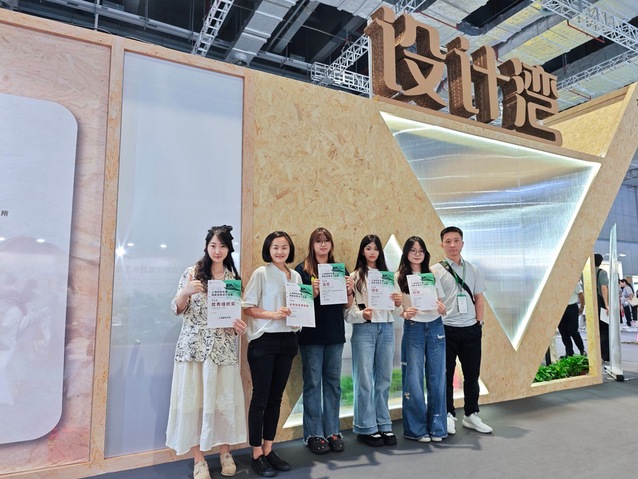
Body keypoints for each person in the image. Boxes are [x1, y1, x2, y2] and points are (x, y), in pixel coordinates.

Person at [166, 226, 247, 479]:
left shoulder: (232, 279)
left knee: (224, 402)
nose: (217, 250)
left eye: (222, 246)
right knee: (192, 402)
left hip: (222, 350)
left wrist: (239, 327)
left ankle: (225, 451)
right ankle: (198, 459)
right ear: (206, 246)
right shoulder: (192, 273)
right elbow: (176, 308)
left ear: (228, 249)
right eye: (213, 245)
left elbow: (234, 318)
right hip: (193, 349)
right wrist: (186, 292)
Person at [242, 231, 301, 477]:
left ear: (290, 250)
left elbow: (300, 307)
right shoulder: (261, 273)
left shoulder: (296, 276)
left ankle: (269, 448)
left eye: (284, 247)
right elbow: (247, 307)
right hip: (264, 341)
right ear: (268, 249)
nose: (280, 251)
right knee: (261, 398)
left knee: (275, 398)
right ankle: (256, 453)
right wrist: (273, 315)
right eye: (275, 247)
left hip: (288, 340)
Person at [294, 228, 354, 454]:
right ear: (312, 244)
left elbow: (347, 305)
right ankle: (313, 434)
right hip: (311, 335)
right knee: (312, 384)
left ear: (331, 244)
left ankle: (332, 431)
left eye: (326, 240)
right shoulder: (302, 270)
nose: (323, 244)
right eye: (318, 241)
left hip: (334, 333)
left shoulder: (339, 269)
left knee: (333, 384)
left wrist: (349, 290)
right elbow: (297, 304)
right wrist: (312, 292)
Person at [431, 226, 492, 435]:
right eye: (448, 241)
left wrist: (479, 323)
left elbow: (479, 298)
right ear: (442, 245)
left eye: (456, 240)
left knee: (472, 375)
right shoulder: (434, 271)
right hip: (445, 329)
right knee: (446, 375)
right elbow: (431, 300)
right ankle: (448, 414)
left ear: (462, 243)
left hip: (471, 330)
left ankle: (471, 414)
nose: (452, 245)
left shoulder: (473, 270)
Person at [345, 234, 402, 447]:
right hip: (364, 330)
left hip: (386, 328)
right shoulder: (354, 277)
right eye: (368, 248)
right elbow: (347, 312)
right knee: (364, 380)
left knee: (384, 378)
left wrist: (398, 302)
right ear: (362, 251)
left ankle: (383, 424)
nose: (372, 252)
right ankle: (366, 427)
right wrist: (362, 315)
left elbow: (397, 309)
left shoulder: (388, 276)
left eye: (376, 248)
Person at [395, 236, 447, 443]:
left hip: (436, 326)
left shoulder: (432, 274)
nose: (417, 254)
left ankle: (438, 427)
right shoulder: (398, 276)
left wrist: (442, 309)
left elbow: (440, 302)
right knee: (413, 378)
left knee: (438, 377)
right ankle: (416, 429)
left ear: (426, 253)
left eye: (421, 251)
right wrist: (403, 312)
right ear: (406, 253)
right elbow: (395, 305)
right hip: (414, 327)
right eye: (413, 250)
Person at [558, 283, 586, 357]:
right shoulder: (557, 283)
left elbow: (581, 294)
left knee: (573, 331)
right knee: (563, 332)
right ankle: (569, 352)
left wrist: (582, 306)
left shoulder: (573, 282)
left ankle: (582, 350)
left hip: (571, 307)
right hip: (560, 308)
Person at [594, 254, 609, 362]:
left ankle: (595, 354)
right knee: (604, 330)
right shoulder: (602, 272)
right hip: (600, 304)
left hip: (591, 304)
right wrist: (606, 304)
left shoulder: (585, 274)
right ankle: (605, 355)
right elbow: (603, 288)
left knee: (594, 330)